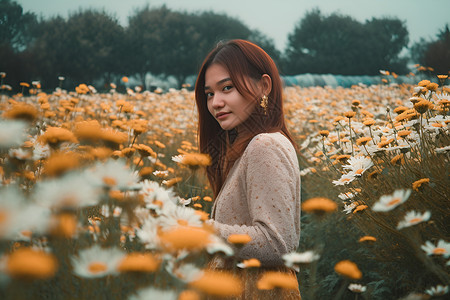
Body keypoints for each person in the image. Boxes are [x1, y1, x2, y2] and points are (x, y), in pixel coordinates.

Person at [194, 39, 301, 299]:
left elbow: (277, 243)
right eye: (209, 94)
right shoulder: (249, 148)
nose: (215, 102)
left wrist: (200, 230)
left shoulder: (264, 145)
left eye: (226, 88)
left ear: (264, 86)